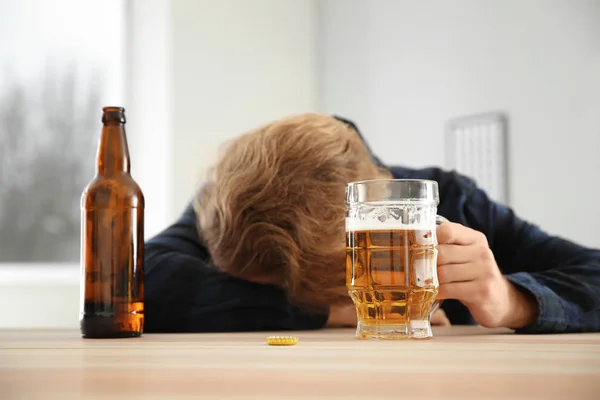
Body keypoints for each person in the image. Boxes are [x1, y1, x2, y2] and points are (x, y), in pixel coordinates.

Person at [143, 113, 600, 333]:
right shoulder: (227, 200)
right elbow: (137, 283)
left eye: (286, 289)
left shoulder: (454, 206)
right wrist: (337, 311)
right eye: (246, 287)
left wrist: (514, 300)